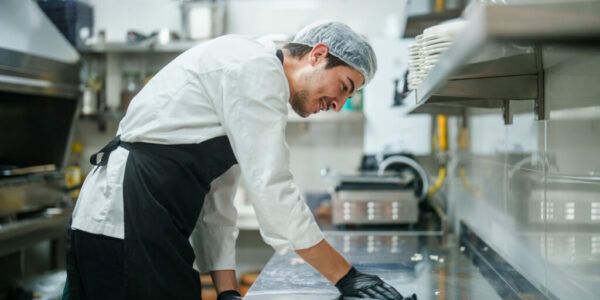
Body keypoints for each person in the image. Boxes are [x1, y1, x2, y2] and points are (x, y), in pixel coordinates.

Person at [64, 20, 416, 300]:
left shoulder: (254, 73)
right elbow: (273, 189)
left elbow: (219, 199)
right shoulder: (256, 69)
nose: (338, 104)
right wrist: (346, 276)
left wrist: (227, 290)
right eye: (344, 86)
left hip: (146, 219)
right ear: (318, 54)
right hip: (121, 220)